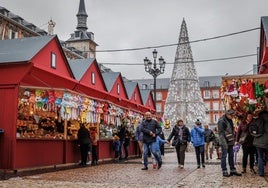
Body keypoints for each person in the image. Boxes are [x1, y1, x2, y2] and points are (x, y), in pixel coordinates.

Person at [217, 109, 242, 177]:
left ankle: (232, 170)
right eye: (232, 116)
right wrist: (224, 144)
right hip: (224, 142)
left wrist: (233, 141)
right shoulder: (221, 121)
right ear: (228, 114)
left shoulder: (230, 119)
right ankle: (224, 170)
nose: (233, 117)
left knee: (231, 156)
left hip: (230, 141)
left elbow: (230, 131)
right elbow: (221, 134)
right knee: (224, 156)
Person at [252, 108, 268, 177]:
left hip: (257, 141)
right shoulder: (267, 122)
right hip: (266, 142)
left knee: (260, 157)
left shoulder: (257, 120)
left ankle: (261, 172)